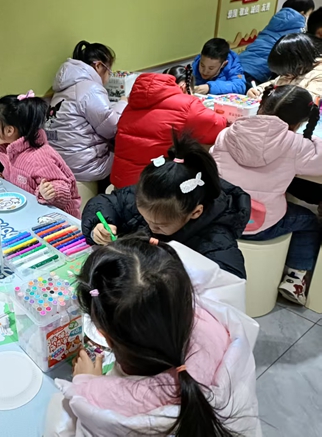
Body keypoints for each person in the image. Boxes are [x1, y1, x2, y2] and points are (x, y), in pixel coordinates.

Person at [45, 236, 260, 437]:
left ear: (105, 336)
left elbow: (62, 427)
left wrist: (86, 383)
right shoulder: (219, 329)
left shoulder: (99, 408)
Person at [82, 134, 250, 279]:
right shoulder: (150, 198)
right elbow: (105, 202)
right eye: (145, 218)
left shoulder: (215, 241)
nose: (150, 226)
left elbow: (229, 283)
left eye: (160, 225)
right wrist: (99, 226)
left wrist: (172, 281)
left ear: (195, 212)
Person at [212, 85, 322, 305]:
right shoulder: (295, 145)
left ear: (261, 107)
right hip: (261, 226)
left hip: (222, 218)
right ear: (300, 122)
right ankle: (296, 277)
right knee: (308, 221)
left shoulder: (227, 133)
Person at [111, 65, 227, 189]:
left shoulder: (133, 103)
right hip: (153, 189)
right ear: (183, 86)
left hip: (120, 183)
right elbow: (218, 125)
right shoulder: (187, 104)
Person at [45, 41, 126, 186]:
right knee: (129, 157)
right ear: (99, 66)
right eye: (109, 71)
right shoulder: (91, 89)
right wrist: (123, 103)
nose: (109, 76)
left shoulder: (62, 88)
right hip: (85, 166)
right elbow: (112, 128)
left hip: (60, 162)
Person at [0, 91, 81, 218]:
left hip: (59, 220)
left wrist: (51, 191)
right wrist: (3, 178)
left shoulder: (39, 157)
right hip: (31, 214)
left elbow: (63, 188)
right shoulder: (12, 151)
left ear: (9, 130)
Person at [240, 0, 315, 85]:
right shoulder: (298, 29)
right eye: (309, 14)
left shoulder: (277, 20)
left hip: (240, 63)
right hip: (257, 72)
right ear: (303, 13)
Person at [247, 34, 322, 99]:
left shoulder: (318, 75)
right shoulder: (292, 71)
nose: (283, 76)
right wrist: (259, 90)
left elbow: (307, 101)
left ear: (299, 64)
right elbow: (275, 82)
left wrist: (274, 98)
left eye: (286, 74)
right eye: (281, 74)